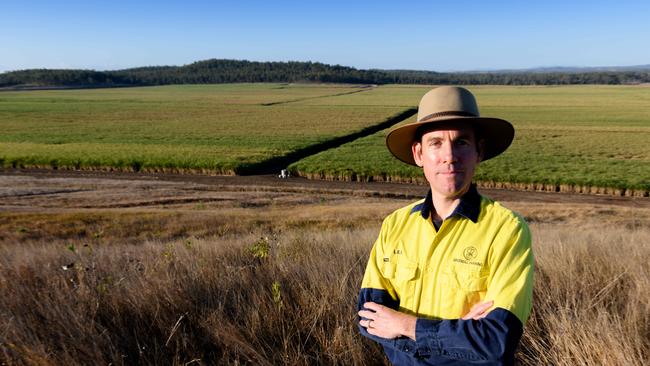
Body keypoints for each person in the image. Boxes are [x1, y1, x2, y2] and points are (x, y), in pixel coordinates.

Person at [357, 86, 534, 365]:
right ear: (418, 154)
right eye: (436, 143)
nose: (449, 156)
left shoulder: (507, 230)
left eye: (462, 142)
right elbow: (368, 318)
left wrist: (405, 325)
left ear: (479, 151)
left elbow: (496, 341)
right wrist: (457, 336)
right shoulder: (395, 226)